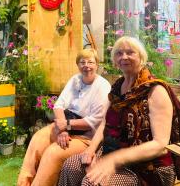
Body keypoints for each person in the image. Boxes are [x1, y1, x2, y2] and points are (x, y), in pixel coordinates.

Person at [58, 36, 180, 186]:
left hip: (147, 167)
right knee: (71, 166)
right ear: (115, 60)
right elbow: (104, 123)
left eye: (130, 52)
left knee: (92, 182)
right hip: (111, 153)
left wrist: (114, 160)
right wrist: (91, 149)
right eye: (119, 53)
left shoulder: (155, 91)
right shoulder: (117, 87)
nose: (124, 57)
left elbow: (160, 144)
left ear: (141, 57)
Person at [17, 48, 111, 186]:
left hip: (86, 136)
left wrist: (66, 125)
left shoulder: (103, 86)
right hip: (65, 126)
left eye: (90, 62)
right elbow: (59, 105)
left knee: (53, 153)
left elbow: (94, 121)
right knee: (38, 139)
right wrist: (63, 130)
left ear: (97, 65)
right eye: (82, 62)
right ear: (77, 65)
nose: (86, 65)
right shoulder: (75, 79)